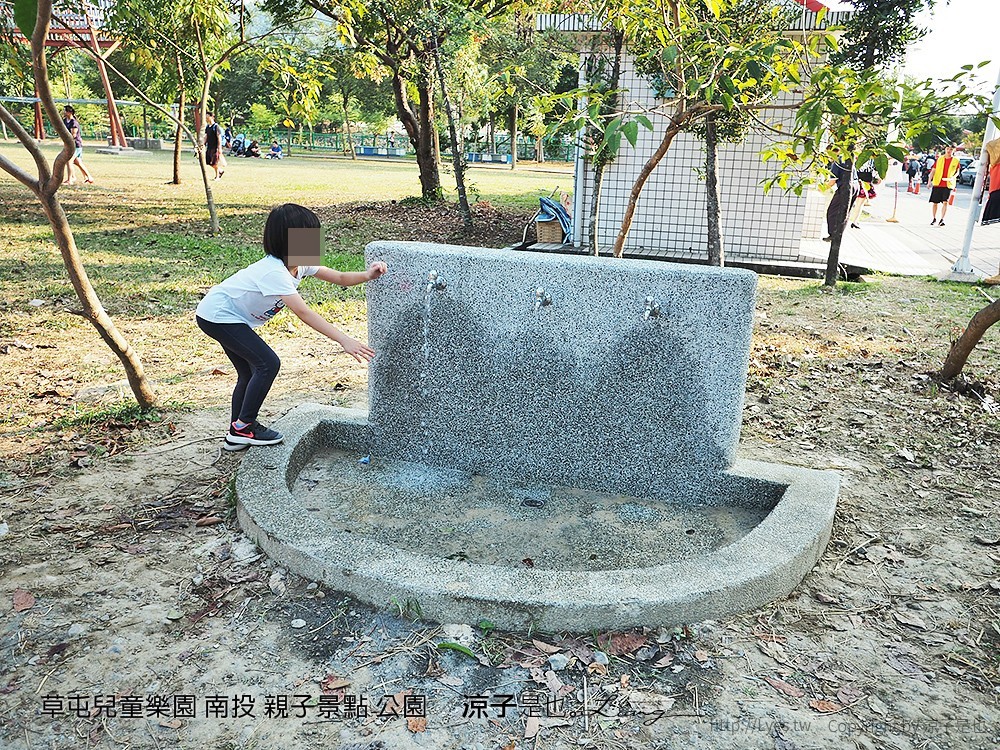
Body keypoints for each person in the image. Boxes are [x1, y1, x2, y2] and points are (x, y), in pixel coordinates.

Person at [195, 203, 386, 450]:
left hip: (228, 316)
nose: (314, 244)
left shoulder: (300, 264)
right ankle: (244, 426)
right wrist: (344, 339)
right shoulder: (274, 272)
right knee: (268, 363)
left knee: (250, 371)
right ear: (286, 242)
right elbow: (304, 312)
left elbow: (339, 277)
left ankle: (237, 431)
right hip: (219, 316)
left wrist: (367, 275)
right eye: (307, 238)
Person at [824, 158, 858, 242]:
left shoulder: (837, 163)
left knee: (832, 211)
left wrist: (822, 189)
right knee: (845, 212)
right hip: (856, 186)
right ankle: (839, 234)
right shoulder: (847, 158)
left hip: (846, 187)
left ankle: (833, 234)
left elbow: (832, 182)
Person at [61, 106, 94, 185]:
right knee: (77, 162)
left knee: (69, 161)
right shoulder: (65, 120)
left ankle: (70, 180)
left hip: (76, 145)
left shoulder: (74, 122)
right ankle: (89, 177)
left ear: (70, 112)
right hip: (69, 145)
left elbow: (73, 135)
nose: (64, 112)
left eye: (65, 111)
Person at [929, 145, 960, 226]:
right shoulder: (940, 159)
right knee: (935, 202)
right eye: (947, 149)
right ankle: (934, 218)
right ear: (945, 149)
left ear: (954, 150)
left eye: (951, 149)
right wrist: (929, 181)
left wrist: (952, 177)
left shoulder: (956, 160)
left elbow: (957, 172)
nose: (949, 151)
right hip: (938, 183)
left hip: (948, 184)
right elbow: (933, 170)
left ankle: (942, 219)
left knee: (945, 202)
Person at [204, 112, 224, 179]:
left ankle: (217, 176)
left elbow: (219, 138)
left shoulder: (216, 127)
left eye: (207, 117)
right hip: (209, 147)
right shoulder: (207, 127)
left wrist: (219, 148)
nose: (206, 118)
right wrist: (203, 144)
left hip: (215, 147)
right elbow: (206, 136)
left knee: (215, 162)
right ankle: (220, 171)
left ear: (212, 117)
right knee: (208, 162)